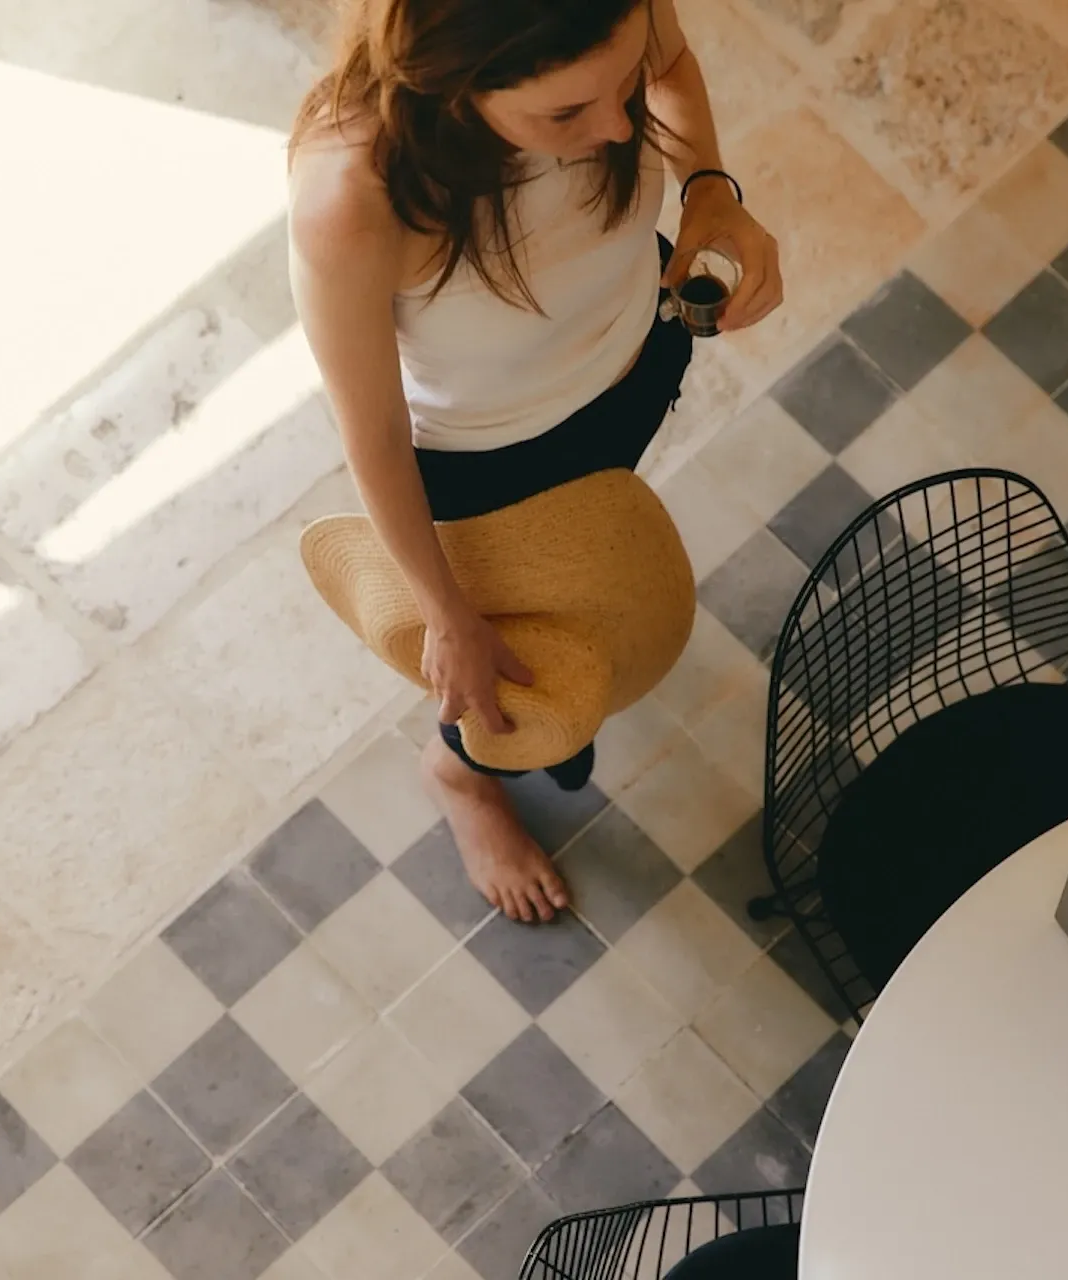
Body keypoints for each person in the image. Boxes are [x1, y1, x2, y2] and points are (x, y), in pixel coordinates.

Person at [287, 0, 783, 924]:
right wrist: (446, 615)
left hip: (637, 359)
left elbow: (671, 68)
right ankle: (460, 774)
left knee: (586, 597)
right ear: (453, 86)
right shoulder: (352, 202)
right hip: (491, 469)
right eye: (565, 114)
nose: (619, 130)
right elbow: (374, 436)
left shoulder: (600, 12)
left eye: (622, 86)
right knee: (509, 673)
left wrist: (712, 188)